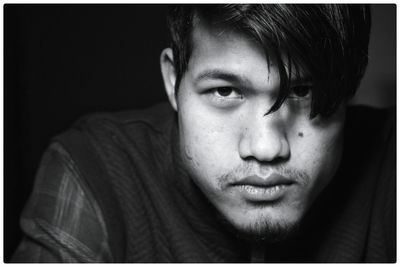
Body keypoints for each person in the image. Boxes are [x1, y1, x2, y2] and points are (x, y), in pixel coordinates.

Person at [12, 4, 395, 263]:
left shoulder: (388, 165)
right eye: (225, 91)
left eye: (301, 92)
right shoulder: (97, 168)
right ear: (172, 81)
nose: (265, 148)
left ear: (347, 89)